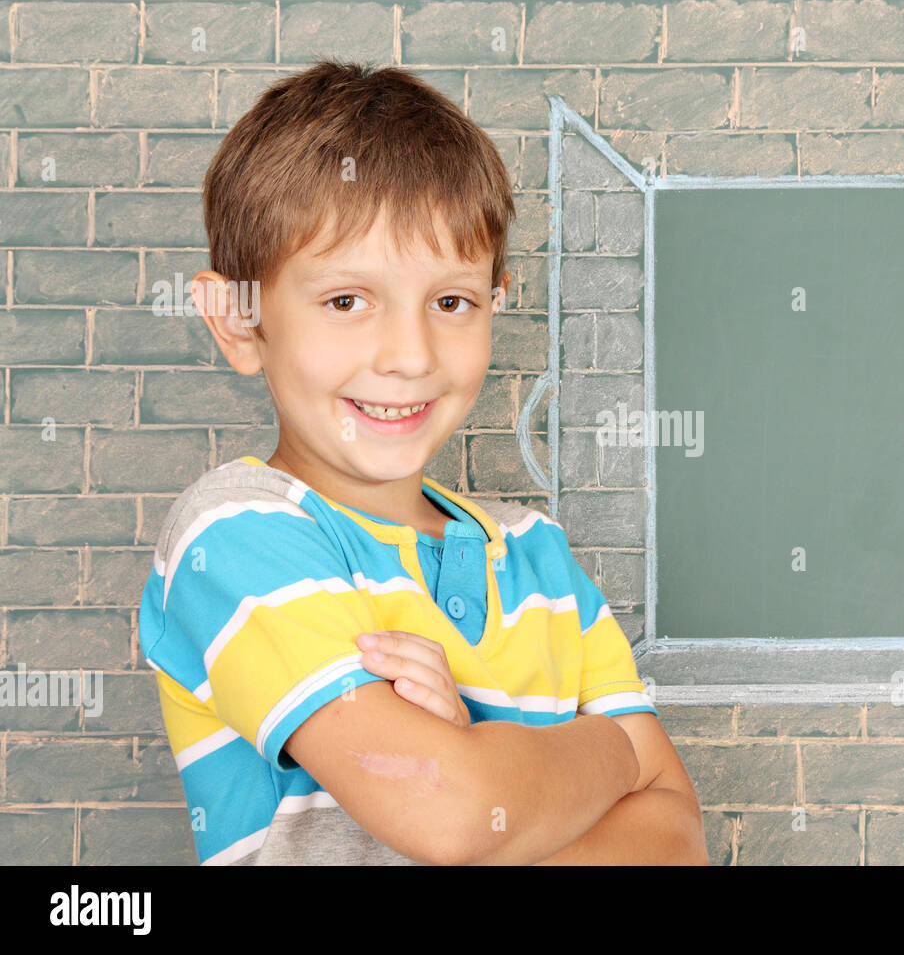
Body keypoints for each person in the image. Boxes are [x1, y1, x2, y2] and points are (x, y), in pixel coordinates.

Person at [136, 60, 706, 866]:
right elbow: (452, 815)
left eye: (451, 302)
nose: (409, 356)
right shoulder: (234, 532)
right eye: (346, 301)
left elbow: (675, 840)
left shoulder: (540, 556)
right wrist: (617, 755)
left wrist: (481, 760)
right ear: (238, 320)